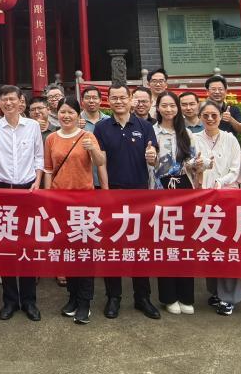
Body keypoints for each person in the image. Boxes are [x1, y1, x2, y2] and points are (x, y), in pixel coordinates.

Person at [93, 85, 160, 320]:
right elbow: (100, 162)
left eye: (123, 97)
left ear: (131, 100)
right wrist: (105, 191)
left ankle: (143, 297)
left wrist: (152, 157)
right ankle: (114, 297)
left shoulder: (145, 126)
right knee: (112, 247)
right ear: (108, 101)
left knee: (139, 247)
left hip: (140, 194)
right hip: (113, 193)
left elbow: (154, 159)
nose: (119, 101)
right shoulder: (102, 127)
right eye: (114, 98)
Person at [0, 84, 45, 321]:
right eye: (4, 100)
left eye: (12, 99)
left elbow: (39, 157)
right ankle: (9, 300)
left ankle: (29, 301)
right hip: (1, 187)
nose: (8, 103)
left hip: (27, 188)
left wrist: (37, 182)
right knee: (5, 245)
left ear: (21, 102)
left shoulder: (33, 126)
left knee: (27, 244)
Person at [44, 96, 107, 324]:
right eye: (63, 111)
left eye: (71, 112)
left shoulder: (88, 136)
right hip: (60, 202)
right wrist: (48, 198)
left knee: (84, 254)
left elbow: (100, 162)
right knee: (67, 252)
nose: (66, 115)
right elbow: (48, 170)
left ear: (78, 114)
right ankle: (72, 297)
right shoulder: (51, 138)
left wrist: (93, 150)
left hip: (84, 202)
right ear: (57, 114)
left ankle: (84, 302)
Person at [191, 99, 241, 316]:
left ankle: (229, 297)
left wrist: (220, 183)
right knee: (209, 244)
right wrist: (195, 166)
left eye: (214, 115)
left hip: (227, 198)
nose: (210, 119)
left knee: (228, 245)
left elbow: (236, 169)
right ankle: (215, 291)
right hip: (203, 199)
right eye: (206, 115)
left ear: (221, 116)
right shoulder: (193, 138)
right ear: (200, 117)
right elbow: (188, 165)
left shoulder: (230, 139)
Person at [152, 91, 197, 315]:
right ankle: (169, 297)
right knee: (165, 244)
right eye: (164, 105)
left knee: (184, 244)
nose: (168, 109)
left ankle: (186, 296)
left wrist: (198, 164)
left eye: (172, 105)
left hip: (183, 194)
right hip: (158, 194)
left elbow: (191, 162)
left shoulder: (186, 133)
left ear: (177, 108)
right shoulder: (151, 132)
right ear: (158, 108)